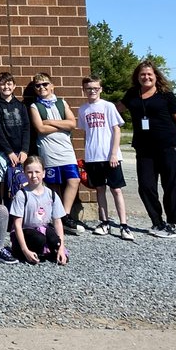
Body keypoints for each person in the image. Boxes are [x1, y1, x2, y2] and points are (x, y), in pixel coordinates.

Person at [117, 60, 176, 239]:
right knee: (146, 186)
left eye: (149, 74)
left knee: (171, 185)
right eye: (142, 74)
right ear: (137, 77)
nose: (146, 77)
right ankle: (157, 221)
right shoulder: (132, 94)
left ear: (156, 76)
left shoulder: (166, 95)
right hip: (144, 149)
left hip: (169, 146)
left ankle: (171, 224)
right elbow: (115, 110)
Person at [78, 75, 134, 240]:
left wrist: (114, 153)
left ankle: (124, 225)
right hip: (93, 157)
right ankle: (104, 222)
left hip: (110, 156)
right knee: (99, 189)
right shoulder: (83, 109)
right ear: (84, 90)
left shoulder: (108, 107)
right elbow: (85, 133)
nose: (92, 91)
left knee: (116, 189)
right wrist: (86, 155)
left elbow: (116, 130)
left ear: (100, 89)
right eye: (89, 88)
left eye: (95, 88)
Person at [27, 72, 82, 235]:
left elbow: (72, 123)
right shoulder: (35, 106)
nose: (42, 87)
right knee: (54, 185)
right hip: (49, 151)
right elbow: (40, 129)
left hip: (66, 150)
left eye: (45, 84)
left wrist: (50, 122)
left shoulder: (61, 102)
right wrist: (62, 125)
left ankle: (64, 215)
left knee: (74, 180)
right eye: (38, 85)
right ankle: (57, 217)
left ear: (52, 86)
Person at [10, 155, 68, 265]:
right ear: (24, 173)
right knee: (39, 239)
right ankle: (26, 252)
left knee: (55, 241)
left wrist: (61, 248)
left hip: (43, 228)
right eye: (30, 172)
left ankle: (52, 252)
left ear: (44, 173)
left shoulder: (51, 194)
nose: (34, 176)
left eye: (37, 172)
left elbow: (57, 222)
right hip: (26, 231)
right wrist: (25, 250)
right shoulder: (21, 195)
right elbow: (17, 225)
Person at [0, 71, 31, 203]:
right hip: (2, 152)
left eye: (9, 84)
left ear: (14, 86)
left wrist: (24, 150)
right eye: (2, 84)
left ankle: (22, 206)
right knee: (3, 179)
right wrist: (9, 152)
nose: (6, 87)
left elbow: (26, 128)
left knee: (22, 179)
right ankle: (4, 205)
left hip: (20, 153)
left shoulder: (21, 106)